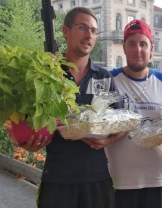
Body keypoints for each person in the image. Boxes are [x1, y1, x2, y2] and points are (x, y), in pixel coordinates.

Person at [15, 7, 124, 208]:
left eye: (93, 30)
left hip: (97, 180)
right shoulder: (46, 74)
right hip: (58, 179)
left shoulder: (104, 77)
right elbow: (22, 119)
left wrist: (108, 140)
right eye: (82, 27)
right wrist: (25, 142)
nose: (89, 35)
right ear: (66, 31)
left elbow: (123, 124)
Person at [106, 19, 162, 208]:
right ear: (124, 48)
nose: (138, 49)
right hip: (119, 180)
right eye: (132, 43)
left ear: (151, 49)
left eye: (143, 44)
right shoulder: (109, 80)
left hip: (158, 180)